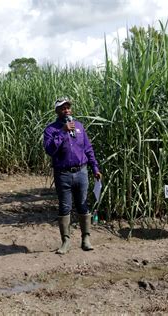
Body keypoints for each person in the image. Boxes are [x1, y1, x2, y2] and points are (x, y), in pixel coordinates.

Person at [43, 97, 102, 254]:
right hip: (63, 174)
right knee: (65, 207)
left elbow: (88, 149)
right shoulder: (51, 130)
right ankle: (66, 242)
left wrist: (95, 168)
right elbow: (49, 150)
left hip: (81, 172)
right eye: (63, 108)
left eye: (68, 107)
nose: (67, 110)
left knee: (83, 205)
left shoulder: (80, 127)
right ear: (57, 111)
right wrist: (63, 132)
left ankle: (86, 239)